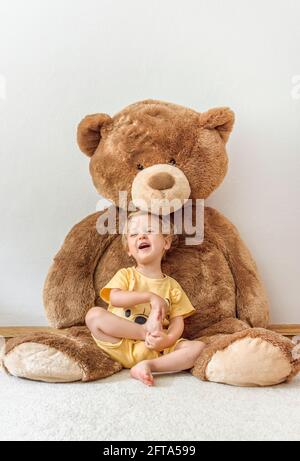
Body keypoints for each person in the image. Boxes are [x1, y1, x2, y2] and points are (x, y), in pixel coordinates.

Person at [85, 210, 206, 386]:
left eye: (149, 231)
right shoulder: (126, 275)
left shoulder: (172, 286)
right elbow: (115, 298)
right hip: (119, 343)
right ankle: (143, 332)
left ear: (166, 242)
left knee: (198, 348)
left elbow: (177, 322)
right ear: (128, 249)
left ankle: (148, 366)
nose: (141, 236)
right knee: (94, 315)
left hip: (156, 348)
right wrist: (149, 297)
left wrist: (168, 340)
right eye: (134, 234)